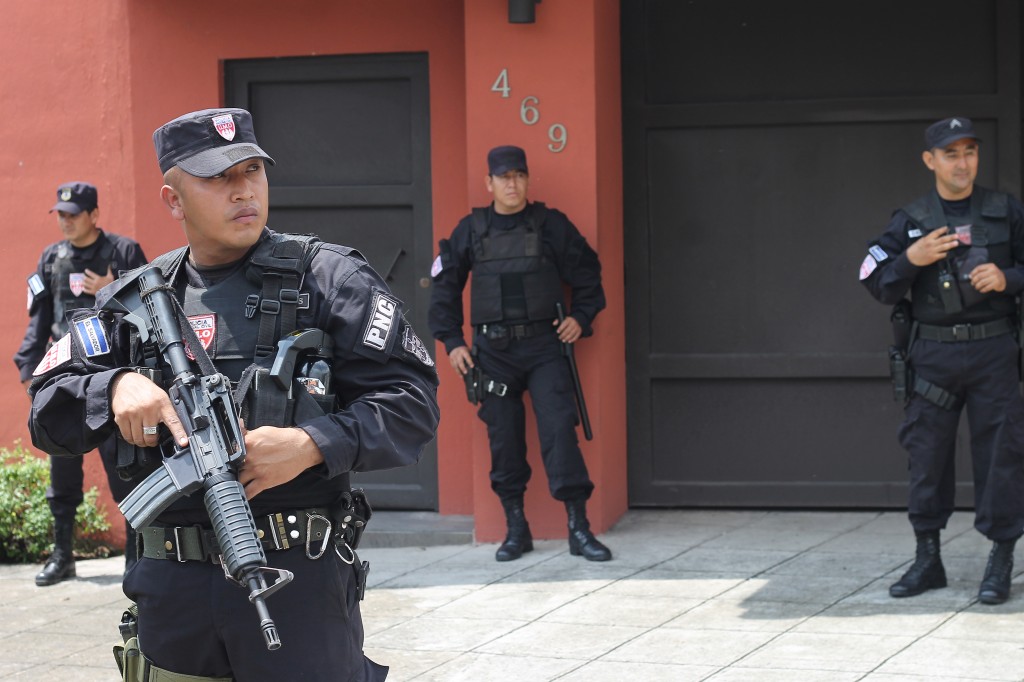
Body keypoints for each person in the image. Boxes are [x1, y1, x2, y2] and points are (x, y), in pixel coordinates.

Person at [28, 108, 439, 681]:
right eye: (218, 178)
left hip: (295, 580)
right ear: (173, 201)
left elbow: (411, 403)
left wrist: (311, 443)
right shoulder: (131, 302)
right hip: (171, 590)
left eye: (252, 170)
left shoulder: (329, 280)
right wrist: (113, 385)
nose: (243, 190)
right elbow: (46, 410)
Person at [860, 116, 1024, 604]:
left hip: (994, 349)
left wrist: (1009, 279)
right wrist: (912, 259)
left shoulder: (1005, 211)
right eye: (951, 154)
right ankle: (928, 559)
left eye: (970, 151)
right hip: (932, 355)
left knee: (1003, 455)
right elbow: (874, 280)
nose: (962, 163)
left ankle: (1001, 561)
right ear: (930, 160)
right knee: (926, 455)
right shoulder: (910, 220)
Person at [428, 145, 611, 563]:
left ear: (527, 180)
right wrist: (452, 341)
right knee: (504, 440)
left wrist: (580, 317)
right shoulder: (471, 230)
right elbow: (444, 289)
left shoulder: (551, 226)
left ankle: (578, 528)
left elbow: (589, 274)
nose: (512, 184)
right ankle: (516, 528)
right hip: (493, 355)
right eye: (504, 176)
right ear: (489, 182)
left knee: (559, 430)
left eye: (519, 175)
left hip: (545, 347)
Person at [14, 181, 148, 586]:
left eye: (73, 215)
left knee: (126, 469)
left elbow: (149, 309)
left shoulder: (123, 252)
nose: (66, 221)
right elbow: (40, 319)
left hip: (113, 378)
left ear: (94, 215)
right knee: (63, 470)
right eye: (60, 215)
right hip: (65, 379)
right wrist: (28, 367)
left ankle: (136, 558)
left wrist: (110, 288)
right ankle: (62, 556)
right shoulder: (51, 258)